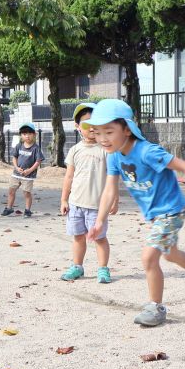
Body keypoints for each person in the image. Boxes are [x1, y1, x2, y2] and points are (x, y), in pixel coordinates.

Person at [86, 99, 185, 327]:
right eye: (97, 132)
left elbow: (183, 166)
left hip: (171, 210)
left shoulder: (147, 152)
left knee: (149, 257)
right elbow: (109, 190)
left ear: (127, 129)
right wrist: (99, 220)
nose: (102, 138)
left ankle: (156, 307)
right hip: (155, 215)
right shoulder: (113, 155)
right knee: (171, 254)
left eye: (109, 132)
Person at [60, 103, 117, 283]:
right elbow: (68, 177)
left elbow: (113, 176)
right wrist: (64, 200)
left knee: (99, 238)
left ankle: (103, 269)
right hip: (76, 204)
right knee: (78, 238)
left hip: (97, 206)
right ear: (77, 127)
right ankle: (77, 267)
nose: (91, 127)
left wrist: (114, 200)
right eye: (86, 123)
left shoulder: (107, 149)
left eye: (95, 122)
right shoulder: (75, 150)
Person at [3, 122, 44, 217]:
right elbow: (14, 157)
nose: (27, 136)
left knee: (26, 193)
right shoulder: (19, 145)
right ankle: (9, 208)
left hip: (28, 176)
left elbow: (38, 161)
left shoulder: (36, 148)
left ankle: (27, 210)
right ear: (21, 135)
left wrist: (29, 171)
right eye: (24, 134)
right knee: (11, 191)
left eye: (29, 133)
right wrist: (17, 167)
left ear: (34, 134)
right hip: (16, 174)